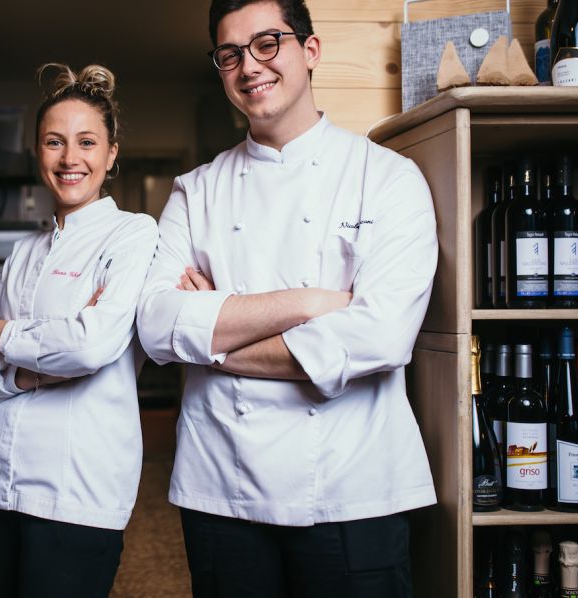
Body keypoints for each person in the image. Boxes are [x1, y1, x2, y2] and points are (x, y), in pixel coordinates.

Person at [136, 1, 439, 596]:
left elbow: (379, 335)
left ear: (311, 50)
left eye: (267, 43)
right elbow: (153, 325)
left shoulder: (388, 177)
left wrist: (212, 337)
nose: (249, 65)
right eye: (230, 55)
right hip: (223, 486)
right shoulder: (195, 191)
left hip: (353, 487)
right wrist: (309, 302)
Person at [0, 63, 158, 598]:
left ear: (111, 154)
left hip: (76, 492)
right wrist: (28, 374)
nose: (71, 159)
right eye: (54, 142)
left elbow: (91, 344)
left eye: (87, 142)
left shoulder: (132, 234)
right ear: (37, 153)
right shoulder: (23, 252)